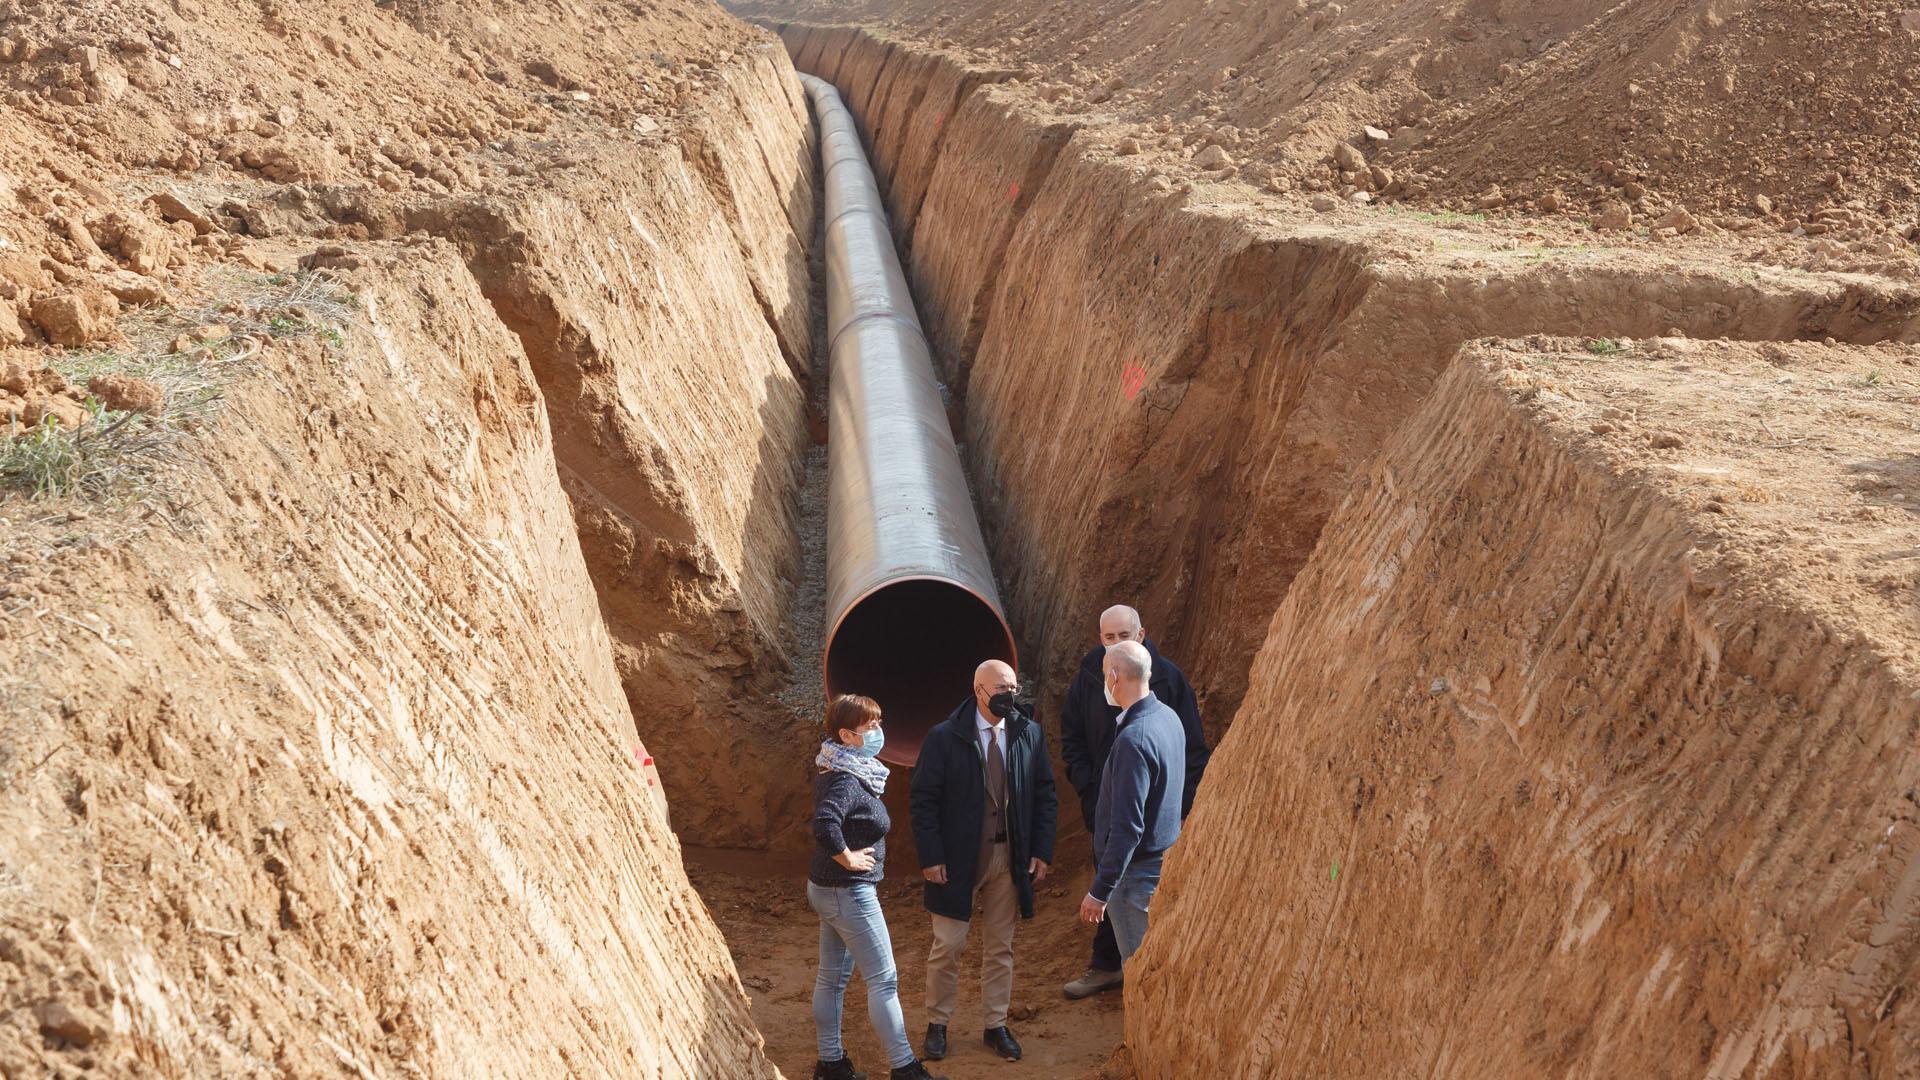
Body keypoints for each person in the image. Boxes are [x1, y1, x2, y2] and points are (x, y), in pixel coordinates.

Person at [910, 659, 1058, 1064]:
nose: (1010, 695)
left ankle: (996, 1025)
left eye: (1013, 686)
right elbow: (923, 801)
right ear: (978, 690)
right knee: (948, 946)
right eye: (1001, 688)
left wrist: (1041, 850)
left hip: (1009, 858)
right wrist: (932, 856)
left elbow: (1045, 794)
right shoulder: (944, 737)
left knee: (1000, 947)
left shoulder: (1027, 733)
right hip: (958, 861)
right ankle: (937, 1024)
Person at [1058, 605, 1210, 999]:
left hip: (1137, 849)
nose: (1114, 644)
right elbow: (1072, 737)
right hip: (1129, 831)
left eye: (1123, 636)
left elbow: (1188, 759)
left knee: (1141, 956)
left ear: (1141, 636)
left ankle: (1148, 1017)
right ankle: (1107, 967)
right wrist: (1093, 794)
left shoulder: (1150, 713)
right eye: (1108, 638)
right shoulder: (1102, 683)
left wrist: (1099, 891)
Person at [809, 694, 947, 1080]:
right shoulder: (846, 780)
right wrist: (848, 858)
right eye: (870, 727)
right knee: (883, 980)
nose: (878, 732)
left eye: (878, 722)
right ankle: (904, 1067)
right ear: (846, 735)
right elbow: (824, 824)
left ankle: (831, 1064)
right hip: (848, 892)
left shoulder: (834, 765)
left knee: (831, 978)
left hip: (828, 890)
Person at [1077, 640, 1184, 967]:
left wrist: (1100, 891)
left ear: (1113, 677)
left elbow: (1127, 829)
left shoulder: (1133, 740)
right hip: (1162, 863)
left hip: (1135, 878)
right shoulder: (1168, 717)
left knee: (1141, 973)